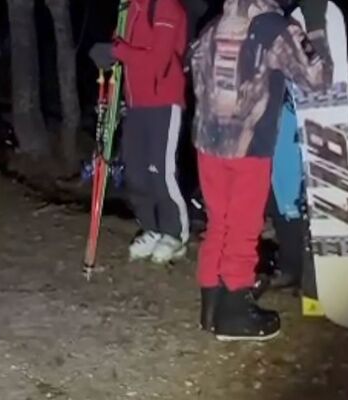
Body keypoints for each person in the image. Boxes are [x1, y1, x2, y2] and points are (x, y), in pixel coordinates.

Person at [189, 0, 332, 341]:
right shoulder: (272, 27)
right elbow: (318, 77)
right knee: (243, 226)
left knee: (219, 223)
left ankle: (211, 305)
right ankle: (235, 313)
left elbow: (193, 69)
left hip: (208, 144)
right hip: (249, 147)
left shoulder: (214, 25)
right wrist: (315, 23)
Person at [88, 0, 190, 264]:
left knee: (161, 170)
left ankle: (175, 233)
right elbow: (121, 48)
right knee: (134, 170)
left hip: (164, 101)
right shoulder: (129, 8)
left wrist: (118, 50)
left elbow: (160, 59)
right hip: (136, 103)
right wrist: (108, 55)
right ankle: (151, 226)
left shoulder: (166, 6)